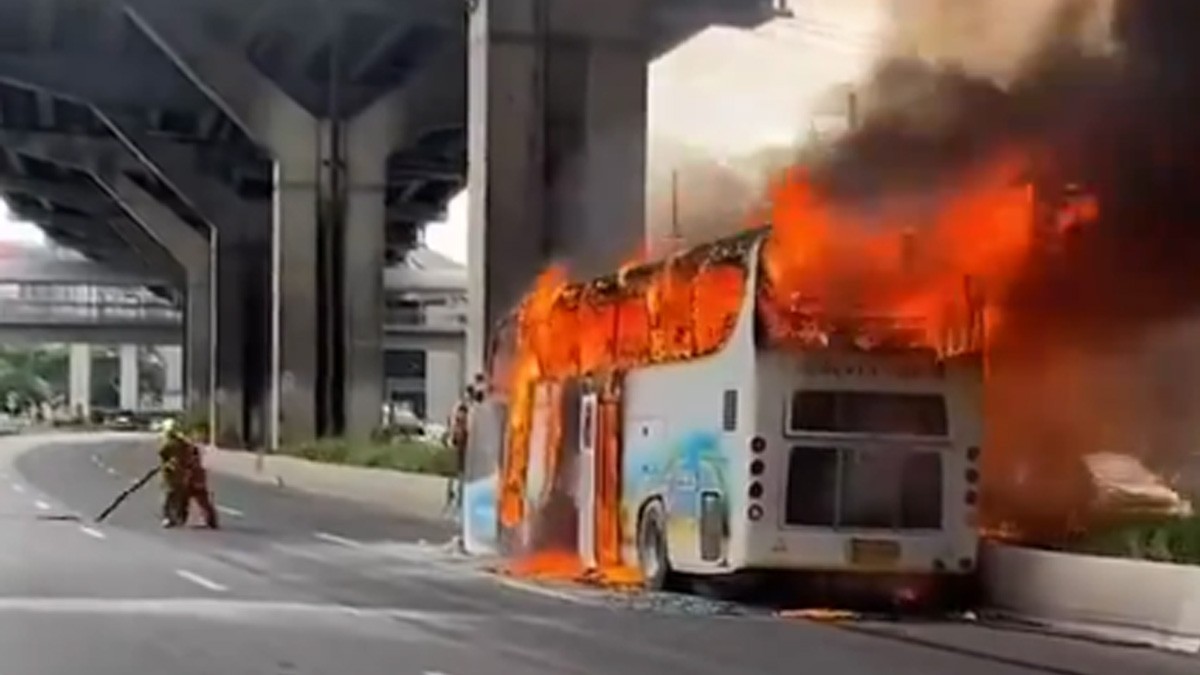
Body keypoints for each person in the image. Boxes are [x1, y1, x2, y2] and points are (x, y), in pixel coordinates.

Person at [158, 420, 219, 529]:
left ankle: (172, 517)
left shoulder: (176, 444)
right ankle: (179, 518)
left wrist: (183, 466)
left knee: (176, 496)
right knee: (185, 497)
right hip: (183, 475)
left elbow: (163, 456)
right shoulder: (181, 443)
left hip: (184, 476)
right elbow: (164, 458)